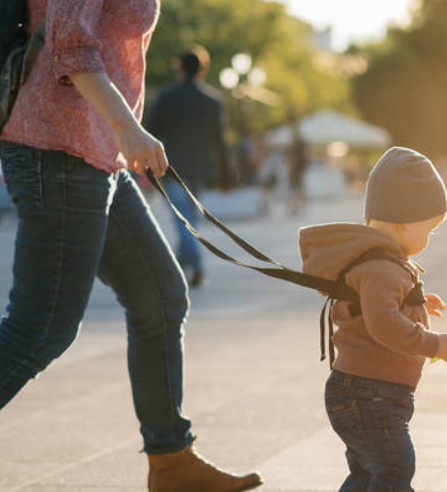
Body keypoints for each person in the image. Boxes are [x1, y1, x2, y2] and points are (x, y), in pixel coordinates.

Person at [0, 2, 261, 492]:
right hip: (56, 150)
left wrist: (119, 135)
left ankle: (172, 462)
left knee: (160, 297)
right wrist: (129, 127)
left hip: (96, 155)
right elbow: (68, 42)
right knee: (41, 328)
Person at [299, 146, 447, 491]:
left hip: (367, 393)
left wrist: (415, 304)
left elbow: (375, 307)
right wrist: (434, 344)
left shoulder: (379, 262)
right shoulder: (381, 268)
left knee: (368, 474)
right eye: (427, 230)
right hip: (370, 395)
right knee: (395, 469)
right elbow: (384, 324)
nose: (428, 240)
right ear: (403, 222)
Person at [147, 45, 233, 288]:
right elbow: (220, 141)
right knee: (188, 219)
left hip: (171, 168)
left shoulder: (166, 97)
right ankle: (186, 264)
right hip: (199, 170)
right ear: (202, 70)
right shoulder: (213, 101)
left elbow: (151, 131)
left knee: (182, 219)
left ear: (180, 69)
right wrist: (226, 175)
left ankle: (189, 264)